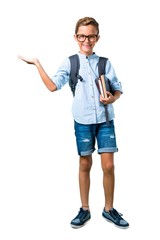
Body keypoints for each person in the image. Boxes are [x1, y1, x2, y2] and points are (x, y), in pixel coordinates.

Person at [18, 16, 129, 229]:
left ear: (97, 37)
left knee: (109, 165)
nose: (86, 40)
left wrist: (111, 98)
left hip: (106, 120)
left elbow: (118, 88)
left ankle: (109, 209)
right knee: (85, 163)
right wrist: (37, 64)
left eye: (91, 36)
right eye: (82, 36)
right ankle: (85, 209)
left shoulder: (105, 62)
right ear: (75, 37)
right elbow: (52, 86)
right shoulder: (71, 62)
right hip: (83, 121)